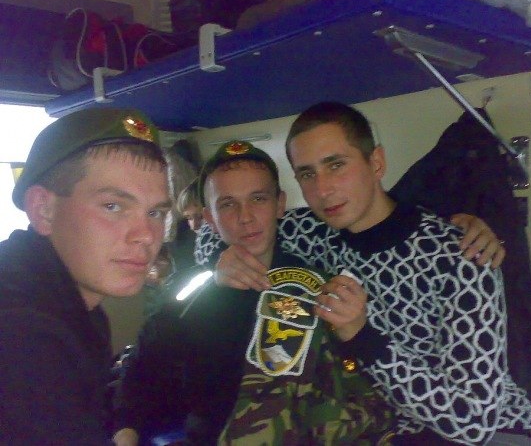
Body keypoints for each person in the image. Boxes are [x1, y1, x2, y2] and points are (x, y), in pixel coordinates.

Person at [197, 103, 531, 445]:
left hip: (491, 432)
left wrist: (363, 337)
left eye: (336, 165)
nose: (323, 189)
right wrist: (218, 260)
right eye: (307, 174)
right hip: (385, 428)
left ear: (376, 162)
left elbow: (474, 422)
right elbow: (216, 229)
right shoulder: (313, 231)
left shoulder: (462, 257)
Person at [112, 141, 394, 446]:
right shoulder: (190, 293)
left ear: (279, 204)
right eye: (228, 204)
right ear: (210, 218)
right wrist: (125, 430)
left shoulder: (319, 287)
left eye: (258, 199)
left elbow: (361, 386)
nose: (245, 217)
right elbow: (143, 369)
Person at [0, 108, 171, 445]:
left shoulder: (74, 306)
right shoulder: (21, 331)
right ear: (44, 210)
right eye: (113, 206)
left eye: (155, 212)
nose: (146, 236)